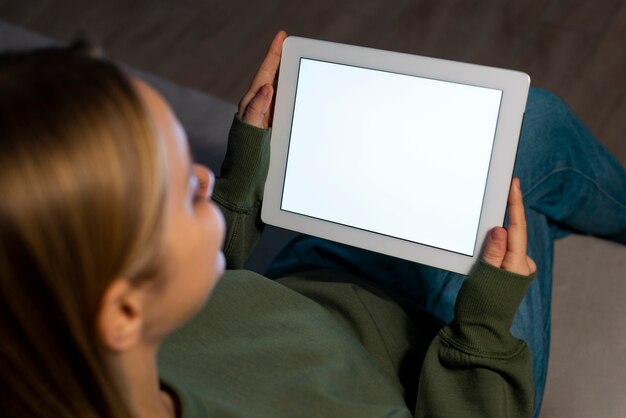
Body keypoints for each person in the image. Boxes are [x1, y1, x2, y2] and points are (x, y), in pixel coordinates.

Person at [0, 30, 624, 418]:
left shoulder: (79, 334)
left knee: (419, 139)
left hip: (309, 277)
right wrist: (485, 320)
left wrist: (247, 165)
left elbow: (200, 288)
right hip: (445, 345)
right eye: (176, 192)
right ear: (123, 312)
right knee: (528, 128)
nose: (202, 176)